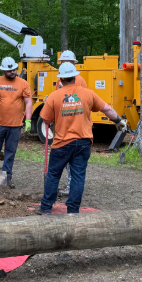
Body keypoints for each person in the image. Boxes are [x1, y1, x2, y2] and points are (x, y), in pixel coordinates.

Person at [37, 62, 124, 214]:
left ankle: (45, 207)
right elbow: (107, 109)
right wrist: (119, 122)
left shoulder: (54, 96)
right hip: (83, 142)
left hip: (62, 144)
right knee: (78, 177)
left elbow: (45, 120)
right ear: (75, 77)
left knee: (53, 174)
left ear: (61, 79)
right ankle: (73, 210)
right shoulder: (88, 93)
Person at [0, 56, 33, 189]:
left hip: (15, 125)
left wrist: (28, 120)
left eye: (14, 70)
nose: (13, 72)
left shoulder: (23, 83)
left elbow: (28, 102)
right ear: (4, 71)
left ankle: (7, 178)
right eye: (9, 71)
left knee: (10, 152)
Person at [54, 50, 87, 197]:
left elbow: (82, 101)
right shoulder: (59, 80)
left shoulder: (79, 80)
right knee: (68, 160)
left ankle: (70, 186)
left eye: (68, 62)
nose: (65, 64)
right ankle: (71, 185)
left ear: (74, 63)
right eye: (63, 62)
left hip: (74, 125)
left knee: (72, 160)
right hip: (63, 124)